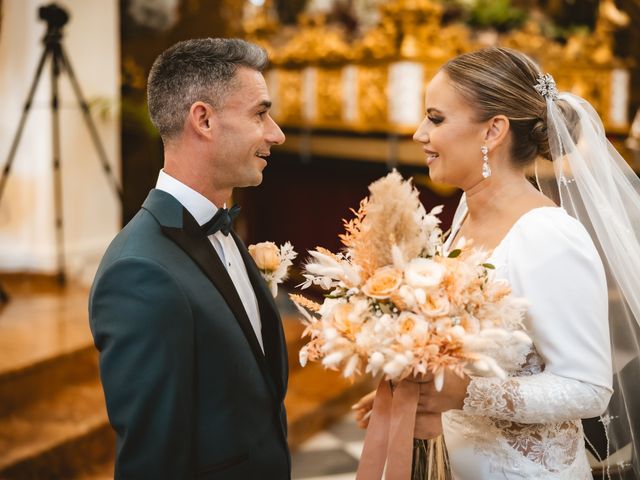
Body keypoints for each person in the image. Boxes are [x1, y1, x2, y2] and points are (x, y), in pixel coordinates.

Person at [356, 46, 640, 479]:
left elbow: (589, 389)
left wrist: (465, 395)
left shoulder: (547, 236)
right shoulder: (465, 212)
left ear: (493, 131)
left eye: (435, 119)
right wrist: (415, 392)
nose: (419, 133)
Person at [88, 38, 289, 479]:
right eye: (260, 113)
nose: (276, 133)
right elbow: (151, 461)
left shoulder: (221, 226)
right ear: (204, 119)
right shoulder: (139, 272)